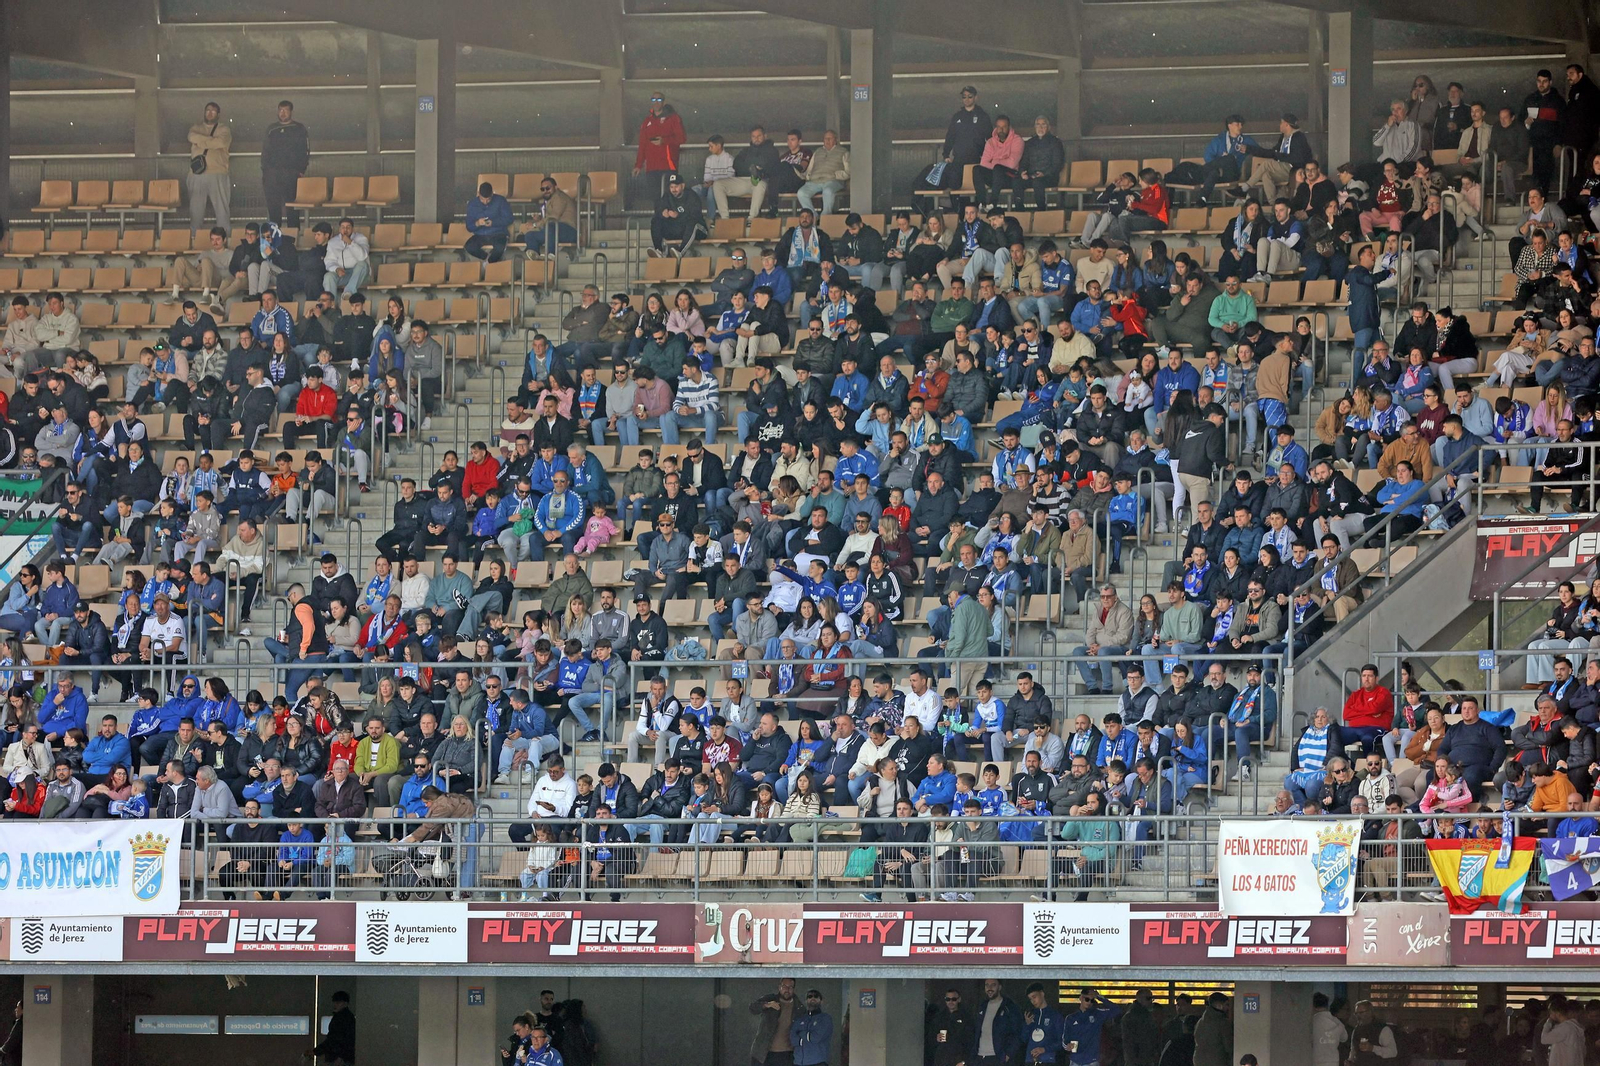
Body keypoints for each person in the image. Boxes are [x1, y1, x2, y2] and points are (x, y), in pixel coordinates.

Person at [186, 101, 233, 235]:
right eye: (207, 110)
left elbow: (221, 142)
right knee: (195, 210)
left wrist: (201, 141)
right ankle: (195, 238)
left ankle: (224, 237)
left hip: (218, 173)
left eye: (213, 111)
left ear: (218, 114)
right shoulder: (196, 127)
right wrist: (211, 141)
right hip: (196, 174)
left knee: (222, 209)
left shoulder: (224, 129)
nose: (210, 113)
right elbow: (191, 137)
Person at [261, 100, 309, 228]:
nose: (283, 113)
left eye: (286, 110)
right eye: (280, 110)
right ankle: (275, 238)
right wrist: (265, 172)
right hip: (272, 175)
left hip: (291, 174)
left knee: (292, 208)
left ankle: (293, 238)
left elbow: (305, 150)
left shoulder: (299, 128)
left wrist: (301, 170)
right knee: (273, 208)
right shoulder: (272, 129)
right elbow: (265, 151)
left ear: (291, 112)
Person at [1061, 989, 1122, 1066]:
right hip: (1075, 1060)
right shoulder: (1071, 1018)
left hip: (1092, 1060)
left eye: (1092, 1000)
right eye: (1087, 999)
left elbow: (1117, 1010)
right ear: (1081, 998)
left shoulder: (1098, 1014)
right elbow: (1065, 1037)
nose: (1089, 1002)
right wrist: (1067, 1045)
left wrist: (1099, 997)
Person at [750, 978, 800, 1066]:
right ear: (779, 987)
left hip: (786, 1054)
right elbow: (752, 1008)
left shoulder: (799, 1006)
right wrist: (766, 1005)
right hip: (763, 1052)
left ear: (794, 989)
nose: (787, 989)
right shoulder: (771, 998)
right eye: (784, 986)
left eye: (790, 987)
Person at [465, 181, 514, 263]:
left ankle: (489, 263)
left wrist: (493, 222)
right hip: (480, 234)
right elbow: (469, 227)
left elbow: (509, 219)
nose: (485, 202)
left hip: (498, 233)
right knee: (469, 246)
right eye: (482, 199)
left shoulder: (501, 201)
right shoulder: (472, 204)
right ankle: (488, 259)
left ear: (492, 194)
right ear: (478, 194)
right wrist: (477, 223)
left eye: (488, 199)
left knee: (499, 247)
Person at [306, 989, 354, 1065]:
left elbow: (336, 1040)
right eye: (334, 1002)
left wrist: (340, 1057)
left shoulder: (342, 1019)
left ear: (345, 1004)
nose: (335, 1005)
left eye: (338, 1002)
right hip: (341, 1058)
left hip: (339, 1059)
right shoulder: (345, 1017)